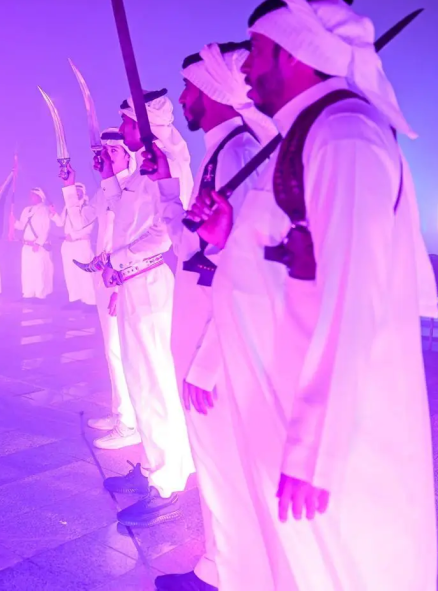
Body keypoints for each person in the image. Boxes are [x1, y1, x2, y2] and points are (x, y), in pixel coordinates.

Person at [183, 1, 438, 588]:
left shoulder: (345, 136)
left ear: (295, 54)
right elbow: (280, 263)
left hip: (339, 431)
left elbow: (353, 295)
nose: (245, 68)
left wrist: (315, 449)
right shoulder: (306, 135)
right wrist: (227, 238)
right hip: (288, 399)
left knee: (347, 566)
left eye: (257, 51)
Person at [154, 41, 278, 591]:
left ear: (212, 90)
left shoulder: (237, 153)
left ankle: (232, 575)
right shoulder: (220, 152)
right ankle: (220, 564)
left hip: (216, 328)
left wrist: (210, 359)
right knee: (214, 458)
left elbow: (246, 264)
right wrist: (164, 184)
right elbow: (188, 244)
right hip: (200, 316)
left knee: (224, 459)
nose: (184, 100)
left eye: (190, 88)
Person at [96, 90, 195, 529]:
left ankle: (168, 483)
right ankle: (155, 466)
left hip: (151, 283)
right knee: (140, 383)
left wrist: (118, 260)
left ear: (144, 124)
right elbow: (123, 215)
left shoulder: (167, 162)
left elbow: (162, 233)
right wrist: (108, 177)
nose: (124, 131)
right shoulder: (141, 170)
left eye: (128, 123)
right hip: (133, 282)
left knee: (156, 384)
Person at [79, 129, 142, 451]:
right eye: (104, 151)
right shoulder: (105, 190)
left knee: (124, 351)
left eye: (113, 152)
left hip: (123, 277)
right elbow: (79, 222)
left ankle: (131, 423)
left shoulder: (136, 187)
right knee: (112, 350)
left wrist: (120, 281)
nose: (106, 156)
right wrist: (69, 186)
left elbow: (135, 238)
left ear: (129, 155)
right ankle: (122, 413)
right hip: (104, 276)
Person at [51, 182, 97, 307]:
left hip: (81, 243)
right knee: (70, 273)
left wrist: (74, 236)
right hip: (67, 245)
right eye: (74, 191)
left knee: (85, 273)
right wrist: (54, 214)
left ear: (83, 193)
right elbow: (61, 223)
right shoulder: (67, 207)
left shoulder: (88, 207)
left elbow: (88, 227)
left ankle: (90, 302)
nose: (76, 193)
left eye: (79, 191)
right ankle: (75, 300)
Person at [13, 188, 54, 299]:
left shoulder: (45, 210)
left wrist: (39, 243)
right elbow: (21, 226)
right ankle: (28, 294)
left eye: (34, 195)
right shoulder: (26, 210)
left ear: (40, 197)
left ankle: (40, 295)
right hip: (26, 245)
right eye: (31, 195)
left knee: (39, 271)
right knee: (27, 270)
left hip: (38, 246)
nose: (31, 197)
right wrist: (14, 222)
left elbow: (46, 229)